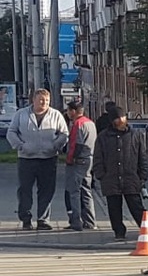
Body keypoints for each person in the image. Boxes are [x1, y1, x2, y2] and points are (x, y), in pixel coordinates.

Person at [93, 107, 148, 241]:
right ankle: (119, 231)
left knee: (137, 206)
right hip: (111, 178)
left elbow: (142, 157)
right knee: (114, 208)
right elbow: (98, 157)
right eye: (117, 118)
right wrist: (101, 175)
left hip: (131, 177)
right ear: (112, 121)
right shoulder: (103, 136)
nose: (120, 120)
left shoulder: (135, 135)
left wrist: (143, 176)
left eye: (122, 117)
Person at [5, 89, 68, 230]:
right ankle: (26, 219)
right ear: (33, 100)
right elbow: (11, 132)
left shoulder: (55, 115)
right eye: (41, 100)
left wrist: (55, 145)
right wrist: (21, 146)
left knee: (47, 190)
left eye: (46, 100)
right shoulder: (21, 115)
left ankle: (43, 220)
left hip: (48, 158)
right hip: (26, 159)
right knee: (25, 190)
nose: (44, 103)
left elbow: (64, 134)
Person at [63, 101, 97, 231]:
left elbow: (75, 145)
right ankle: (90, 221)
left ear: (73, 111)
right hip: (89, 159)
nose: (67, 113)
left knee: (74, 192)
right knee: (86, 190)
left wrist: (70, 159)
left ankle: (76, 222)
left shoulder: (77, 124)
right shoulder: (90, 123)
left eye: (68, 110)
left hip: (78, 161)